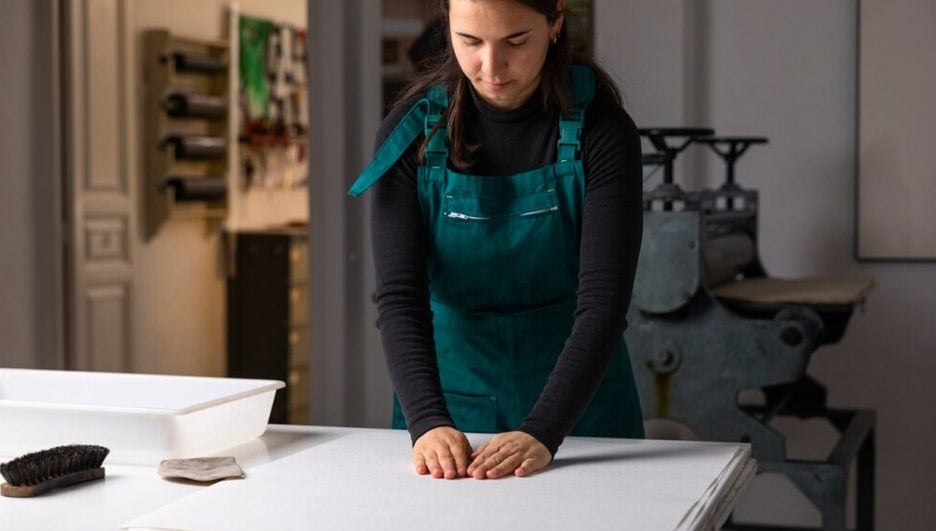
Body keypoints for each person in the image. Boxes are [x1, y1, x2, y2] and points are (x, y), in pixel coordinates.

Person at [348, 0, 644, 480]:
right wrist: (427, 421)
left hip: (580, 410)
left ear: (555, 23)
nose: (491, 66)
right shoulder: (411, 134)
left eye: (515, 41)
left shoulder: (603, 131)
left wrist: (544, 431)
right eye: (470, 41)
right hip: (449, 404)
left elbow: (604, 304)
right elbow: (400, 298)